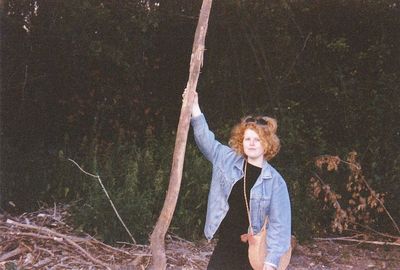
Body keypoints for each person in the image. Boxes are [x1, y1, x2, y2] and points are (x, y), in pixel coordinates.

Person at [189, 91, 291, 270]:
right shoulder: (228, 160)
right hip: (225, 245)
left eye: (257, 140)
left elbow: (280, 225)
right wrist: (194, 107)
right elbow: (205, 140)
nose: (251, 143)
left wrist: (270, 262)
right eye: (247, 139)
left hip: (253, 251)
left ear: (266, 144)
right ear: (241, 141)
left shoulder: (275, 182)